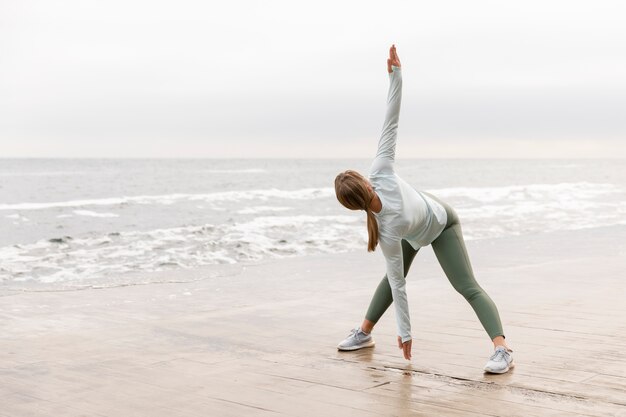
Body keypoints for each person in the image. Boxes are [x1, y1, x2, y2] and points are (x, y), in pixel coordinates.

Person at [334, 45, 514, 374]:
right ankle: (364, 333)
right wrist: (396, 75)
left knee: (466, 285)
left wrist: (406, 334)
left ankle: (503, 350)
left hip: (441, 222)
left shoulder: (383, 187)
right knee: (391, 278)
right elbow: (392, 119)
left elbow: (391, 122)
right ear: (366, 185)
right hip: (411, 226)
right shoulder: (383, 192)